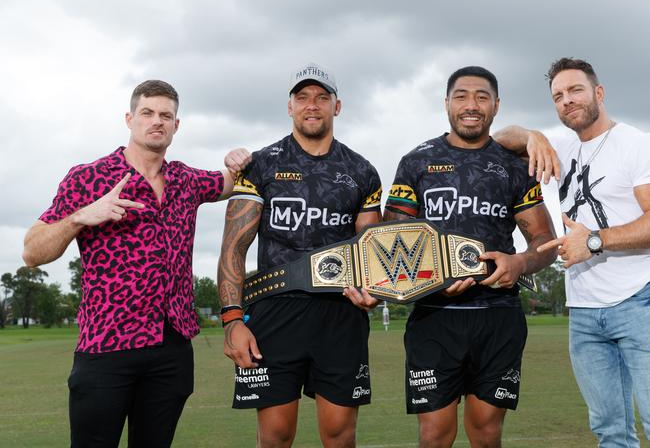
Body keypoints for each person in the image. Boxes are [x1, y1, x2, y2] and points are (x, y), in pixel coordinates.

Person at [22, 79, 250, 448]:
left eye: (166, 115)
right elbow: (32, 251)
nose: (156, 121)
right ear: (130, 119)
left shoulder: (186, 180)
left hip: (171, 349)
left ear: (176, 126)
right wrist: (81, 216)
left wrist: (239, 160)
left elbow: (231, 182)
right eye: (147, 113)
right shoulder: (88, 177)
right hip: (106, 347)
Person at [383, 66, 557, 448]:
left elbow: (545, 239)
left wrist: (520, 263)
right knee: (434, 435)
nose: (471, 105)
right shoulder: (417, 162)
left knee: (486, 432)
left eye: (481, 96)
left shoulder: (514, 164)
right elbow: (390, 247)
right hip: (434, 319)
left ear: (496, 106)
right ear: (447, 103)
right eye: (461, 96)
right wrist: (433, 283)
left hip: (498, 317)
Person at [217, 62, 382, 447]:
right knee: (274, 437)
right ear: (289, 106)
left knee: (340, 436)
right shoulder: (260, 165)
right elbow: (233, 249)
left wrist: (377, 290)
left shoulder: (362, 171)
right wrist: (231, 321)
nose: (312, 105)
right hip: (274, 312)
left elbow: (374, 252)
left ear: (336, 107)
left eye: (322, 98)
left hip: (341, 313)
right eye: (303, 97)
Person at [494, 57, 650, 448]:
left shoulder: (636, 144)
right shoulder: (561, 146)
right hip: (583, 311)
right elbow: (500, 138)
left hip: (639, 301)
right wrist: (532, 135)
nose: (567, 100)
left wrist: (594, 240)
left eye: (575, 90)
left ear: (598, 92)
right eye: (558, 96)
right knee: (610, 432)